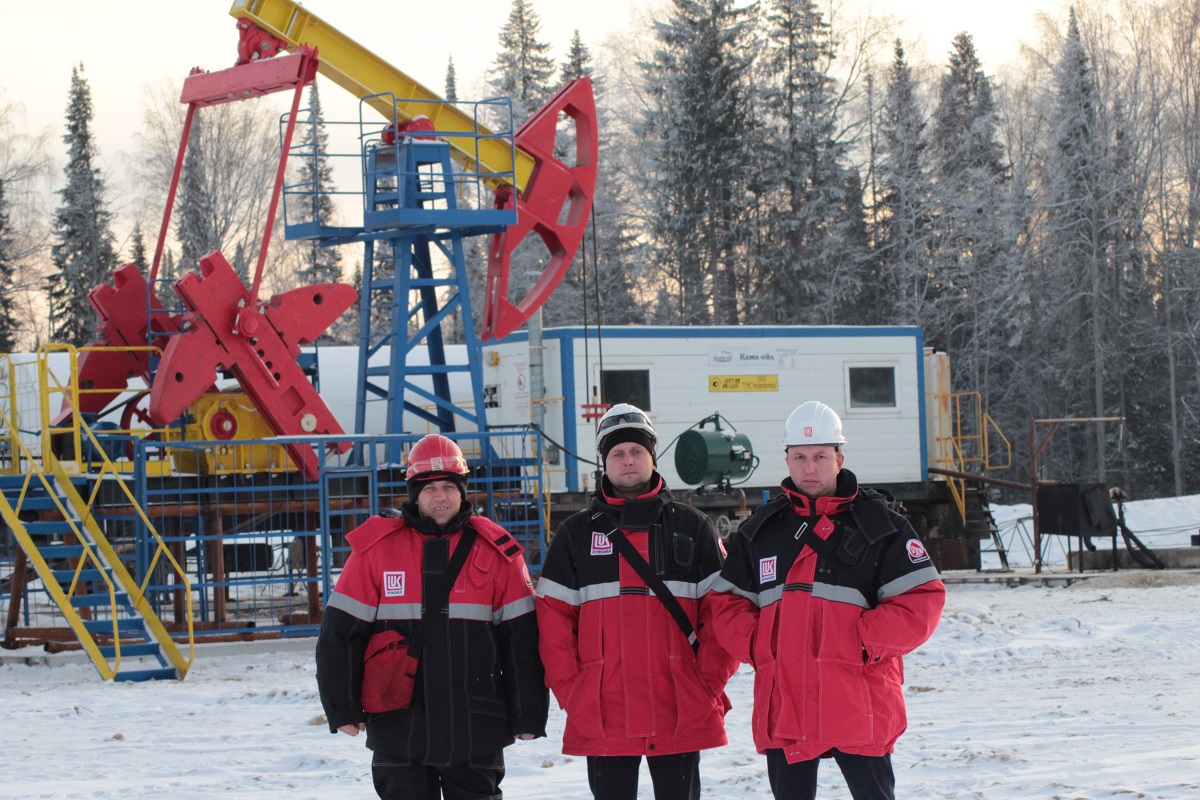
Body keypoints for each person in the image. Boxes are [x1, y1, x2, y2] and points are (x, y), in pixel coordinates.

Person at [708, 401, 945, 800]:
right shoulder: (760, 531)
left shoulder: (882, 525)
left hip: (860, 700)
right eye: (800, 457)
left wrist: (861, 640)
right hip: (787, 706)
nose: (810, 468)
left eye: (820, 456)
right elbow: (727, 604)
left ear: (839, 459)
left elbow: (921, 600)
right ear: (787, 459)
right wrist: (763, 643)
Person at [316, 433, 548, 800]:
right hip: (398, 725)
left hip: (476, 725)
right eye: (429, 488)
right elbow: (340, 635)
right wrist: (341, 707)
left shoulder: (497, 553)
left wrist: (528, 713)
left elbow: (522, 643)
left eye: (448, 487)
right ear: (414, 494)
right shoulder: (375, 552)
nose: (440, 496)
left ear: (462, 491)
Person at [536, 403, 738, 800]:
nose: (628, 460)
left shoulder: (693, 527)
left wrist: (708, 683)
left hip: (680, 704)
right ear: (604, 462)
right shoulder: (574, 535)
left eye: (637, 451)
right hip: (603, 708)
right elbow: (553, 624)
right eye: (618, 453)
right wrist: (574, 691)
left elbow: (723, 615)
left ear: (652, 457)